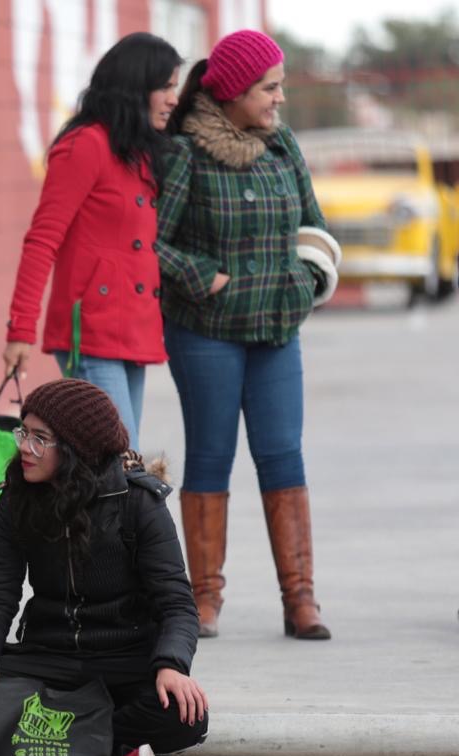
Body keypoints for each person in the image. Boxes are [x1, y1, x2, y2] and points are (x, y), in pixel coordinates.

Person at [0, 379, 208, 756]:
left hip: (124, 658)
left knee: (184, 715)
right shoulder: (15, 499)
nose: (24, 446)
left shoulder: (139, 504)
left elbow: (178, 605)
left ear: (78, 449)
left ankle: (42, 748)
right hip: (47, 655)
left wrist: (171, 664)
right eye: (23, 432)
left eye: (40, 438)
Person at [156, 30, 335, 640]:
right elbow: (152, 241)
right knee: (211, 456)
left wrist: (305, 284)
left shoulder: (282, 146)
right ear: (233, 92)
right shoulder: (184, 154)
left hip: (277, 330)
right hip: (206, 331)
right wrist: (203, 277)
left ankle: (301, 600)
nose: (280, 98)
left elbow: (314, 225)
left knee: (284, 454)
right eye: (270, 87)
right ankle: (204, 601)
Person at [2, 32, 183, 451]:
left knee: (116, 466)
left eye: (176, 86)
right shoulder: (85, 146)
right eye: (166, 87)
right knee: (119, 462)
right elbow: (42, 240)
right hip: (91, 334)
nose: (173, 98)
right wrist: (20, 331)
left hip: (129, 331)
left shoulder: (136, 151)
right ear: (135, 88)